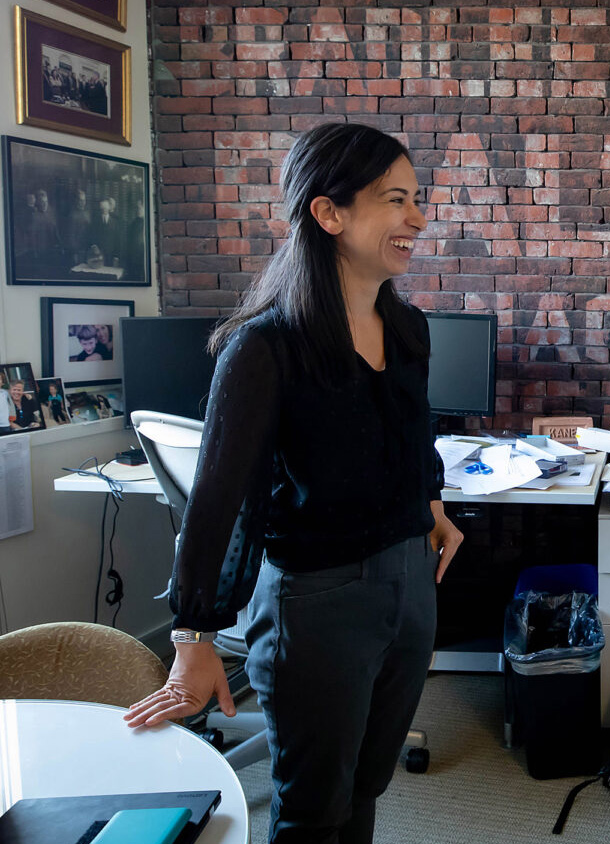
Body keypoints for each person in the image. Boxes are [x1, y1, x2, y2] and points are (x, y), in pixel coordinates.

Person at [124, 122, 463, 844]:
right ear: (329, 214)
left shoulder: (408, 328)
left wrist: (428, 501)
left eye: (418, 199)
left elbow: (413, 428)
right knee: (313, 810)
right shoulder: (264, 349)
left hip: (409, 585)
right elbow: (217, 502)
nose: (418, 217)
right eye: (395, 200)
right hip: (318, 602)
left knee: (368, 786)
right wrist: (193, 633)